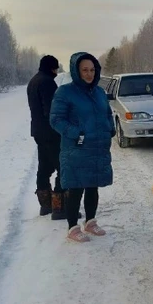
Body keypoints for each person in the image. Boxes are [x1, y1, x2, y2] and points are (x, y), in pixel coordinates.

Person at [50, 52, 116, 242]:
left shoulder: (99, 92)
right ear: (76, 71)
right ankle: (72, 227)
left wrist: (110, 130)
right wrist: (76, 133)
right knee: (76, 187)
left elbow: (107, 114)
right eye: (85, 70)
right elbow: (56, 119)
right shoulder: (65, 92)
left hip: (97, 148)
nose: (89, 74)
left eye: (92, 70)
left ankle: (90, 222)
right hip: (76, 149)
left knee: (92, 185)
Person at [26, 55, 69, 220]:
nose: (57, 71)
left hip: (38, 132)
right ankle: (60, 208)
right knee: (62, 166)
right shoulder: (47, 83)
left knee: (44, 168)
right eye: (56, 68)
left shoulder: (33, 81)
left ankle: (45, 206)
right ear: (52, 67)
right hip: (51, 133)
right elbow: (51, 111)